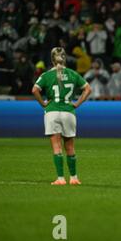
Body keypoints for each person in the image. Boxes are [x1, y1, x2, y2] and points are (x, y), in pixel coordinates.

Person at [32, 47, 91, 185]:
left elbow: (35, 90)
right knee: (70, 146)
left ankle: (60, 179)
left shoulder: (46, 75)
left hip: (52, 111)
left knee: (57, 146)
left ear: (52, 60)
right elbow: (88, 89)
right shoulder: (73, 74)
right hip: (68, 111)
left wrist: (43, 104)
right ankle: (74, 178)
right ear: (65, 59)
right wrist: (77, 104)